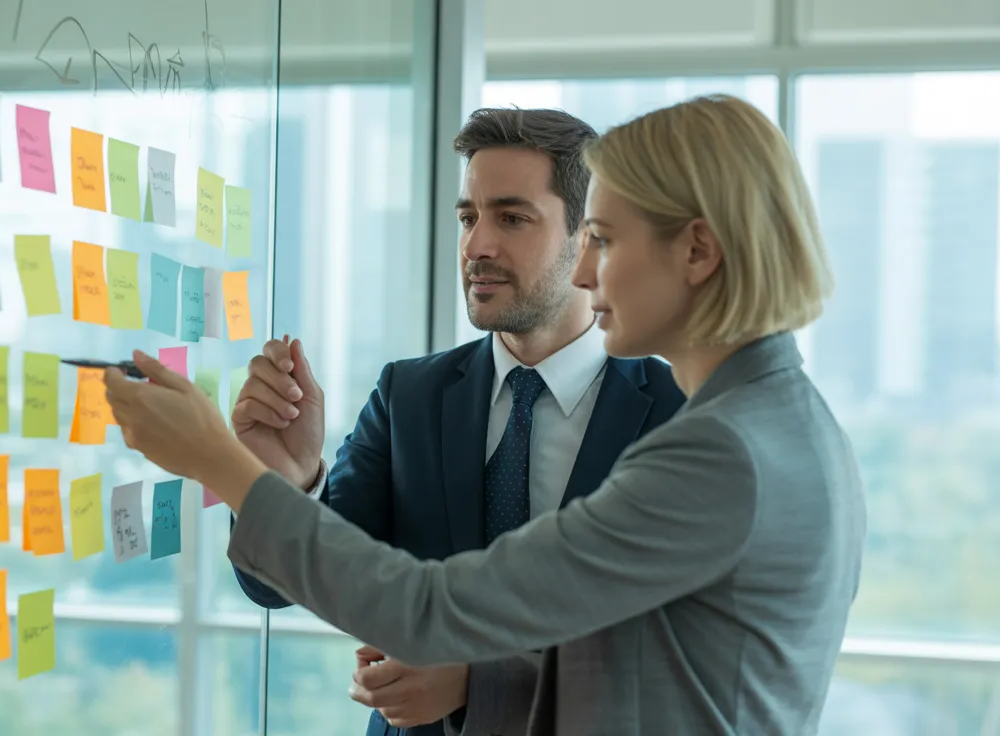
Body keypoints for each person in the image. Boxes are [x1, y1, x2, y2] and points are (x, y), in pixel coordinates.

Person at [105, 94, 866, 736]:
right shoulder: (786, 420)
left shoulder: (718, 448)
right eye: (469, 216)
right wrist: (288, 478)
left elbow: (430, 610)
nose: (590, 270)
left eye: (602, 238)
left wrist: (220, 464)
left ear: (697, 251)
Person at [228, 107, 683, 735]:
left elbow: (673, 651)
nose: (476, 245)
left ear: (590, 235)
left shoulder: (675, 413)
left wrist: (479, 679)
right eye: (469, 217)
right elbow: (281, 589)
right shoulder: (407, 395)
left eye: (512, 217)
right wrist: (287, 482)